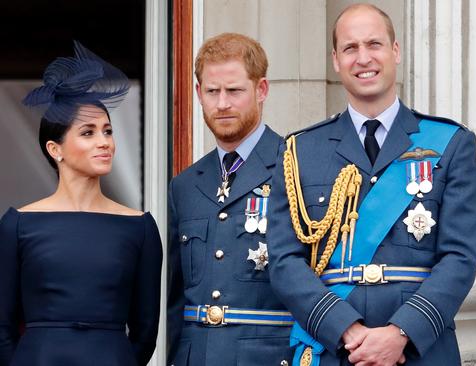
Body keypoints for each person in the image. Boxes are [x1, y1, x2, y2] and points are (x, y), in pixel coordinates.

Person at [266, 4, 476, 365]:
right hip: (336, 349)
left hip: (418, 351)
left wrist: (402, 333)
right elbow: (285, 260)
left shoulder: (451, 143)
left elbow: (460, 257)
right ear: (335, 60)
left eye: (374, 44)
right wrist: (346, 330)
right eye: (350, 48)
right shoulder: (299, 151)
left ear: (395, 51)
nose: (363, 58)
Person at [0, 41, 163, 366]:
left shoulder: (140, 227)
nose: (104, 142)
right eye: (88, 133)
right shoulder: (17, 225)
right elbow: (1, 327)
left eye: (108, 131)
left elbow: (146, 333)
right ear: (55, 149)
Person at [167, 33, 293, 366]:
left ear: (261, 89)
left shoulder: (295, 168)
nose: (222, 104)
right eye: (212, 91)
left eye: (234, 91)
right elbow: (174, 300)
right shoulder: (184, 185)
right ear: (198, 93)